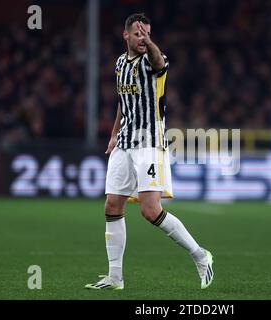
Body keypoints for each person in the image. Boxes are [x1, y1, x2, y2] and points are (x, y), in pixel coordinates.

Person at [85, 13, 214, 290]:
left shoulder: (155, 59)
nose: (142, 38)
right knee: (111, 206)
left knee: (150, 210)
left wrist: (150, 42)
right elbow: (123, 100)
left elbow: (157, 61)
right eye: (137, 34)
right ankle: (115, 278)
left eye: (146, 34)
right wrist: (113, 132)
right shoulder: (120, 63)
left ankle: (200, 255)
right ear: (125, 35)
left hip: (149, 142)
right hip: (124, 142)